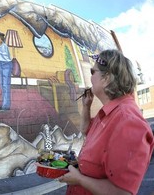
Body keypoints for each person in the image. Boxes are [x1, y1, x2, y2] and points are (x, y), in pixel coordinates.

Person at [58, 49, 154, 194]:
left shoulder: (127, 122)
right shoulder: (110, 112)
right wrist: (86, 106)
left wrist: (79, 179)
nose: (90, 78)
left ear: (106, 78)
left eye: (93, 72)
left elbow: (122, 193)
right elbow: (86, 131)